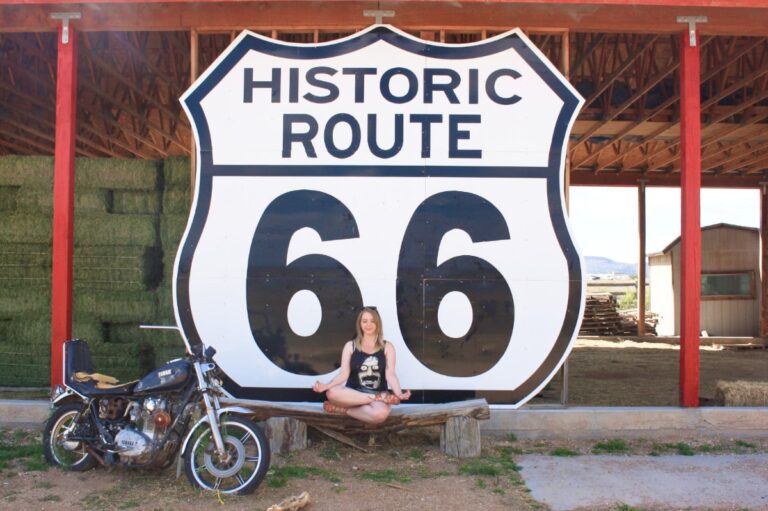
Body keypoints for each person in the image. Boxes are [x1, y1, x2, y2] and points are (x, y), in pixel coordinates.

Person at [312, 307, 411, 424]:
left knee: (381, 414)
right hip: (353, 395)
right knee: (331, 392)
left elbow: (390, 374)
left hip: (377, 393)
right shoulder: (350, 346)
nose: (368, 324)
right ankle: (376, 398)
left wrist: (398, 393)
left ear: (378, 323)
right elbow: (343, 374)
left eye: (372, 321)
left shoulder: (387, 347)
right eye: (364, 321)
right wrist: (326, 386)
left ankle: (344, 410)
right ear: (360, 324)